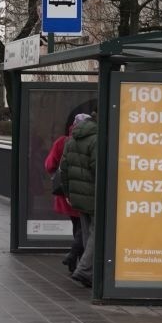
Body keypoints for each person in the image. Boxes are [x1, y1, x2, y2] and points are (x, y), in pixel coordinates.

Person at [45, 113, 89, 273]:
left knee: (77, 225)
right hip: (86, 191)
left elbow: (49, 165)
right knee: (84, 227)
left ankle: (75, 259)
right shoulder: (92, 141)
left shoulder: (62, 141)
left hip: (66, 191)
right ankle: (75, 256)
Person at [60, 112, 97, 288]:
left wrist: (68, 193)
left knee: (86, 232)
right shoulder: (95, 140)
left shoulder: (70, 140)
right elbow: (98, 169)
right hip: (93, 194)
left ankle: (88, 269)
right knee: (95, 233)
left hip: (76, 195)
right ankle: (85, 270)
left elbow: (63, 169)